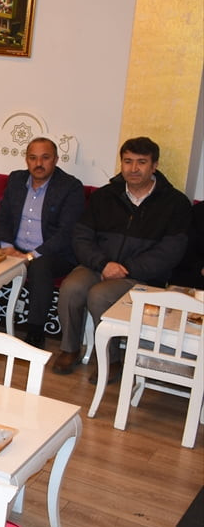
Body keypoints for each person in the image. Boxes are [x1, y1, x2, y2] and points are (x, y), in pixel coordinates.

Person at [52, 137, 192, 381]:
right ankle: (69, 348)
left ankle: (110, 360)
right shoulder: (105, 196)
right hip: (99, 265)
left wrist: (126, 268)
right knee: (72, 287)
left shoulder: (175, 203)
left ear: (154, 166)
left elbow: (170, 251)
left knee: (100, 294)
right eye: (128, 161)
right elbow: (81, 236)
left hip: (141, 275)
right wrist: (102, 264)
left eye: (141, 162)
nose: (133, 168)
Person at [0, 137, 85, 347]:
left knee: (40, 267)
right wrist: (7, 247)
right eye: (33, 158)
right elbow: (3, 218)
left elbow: (66, 232)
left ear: (56, 159)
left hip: (53, 254)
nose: (38, 164)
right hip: (15, 248)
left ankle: (35, 332)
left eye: (45, 158)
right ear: (26, 160)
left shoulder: (70, 186)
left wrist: (30, 256)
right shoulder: (16, 180)